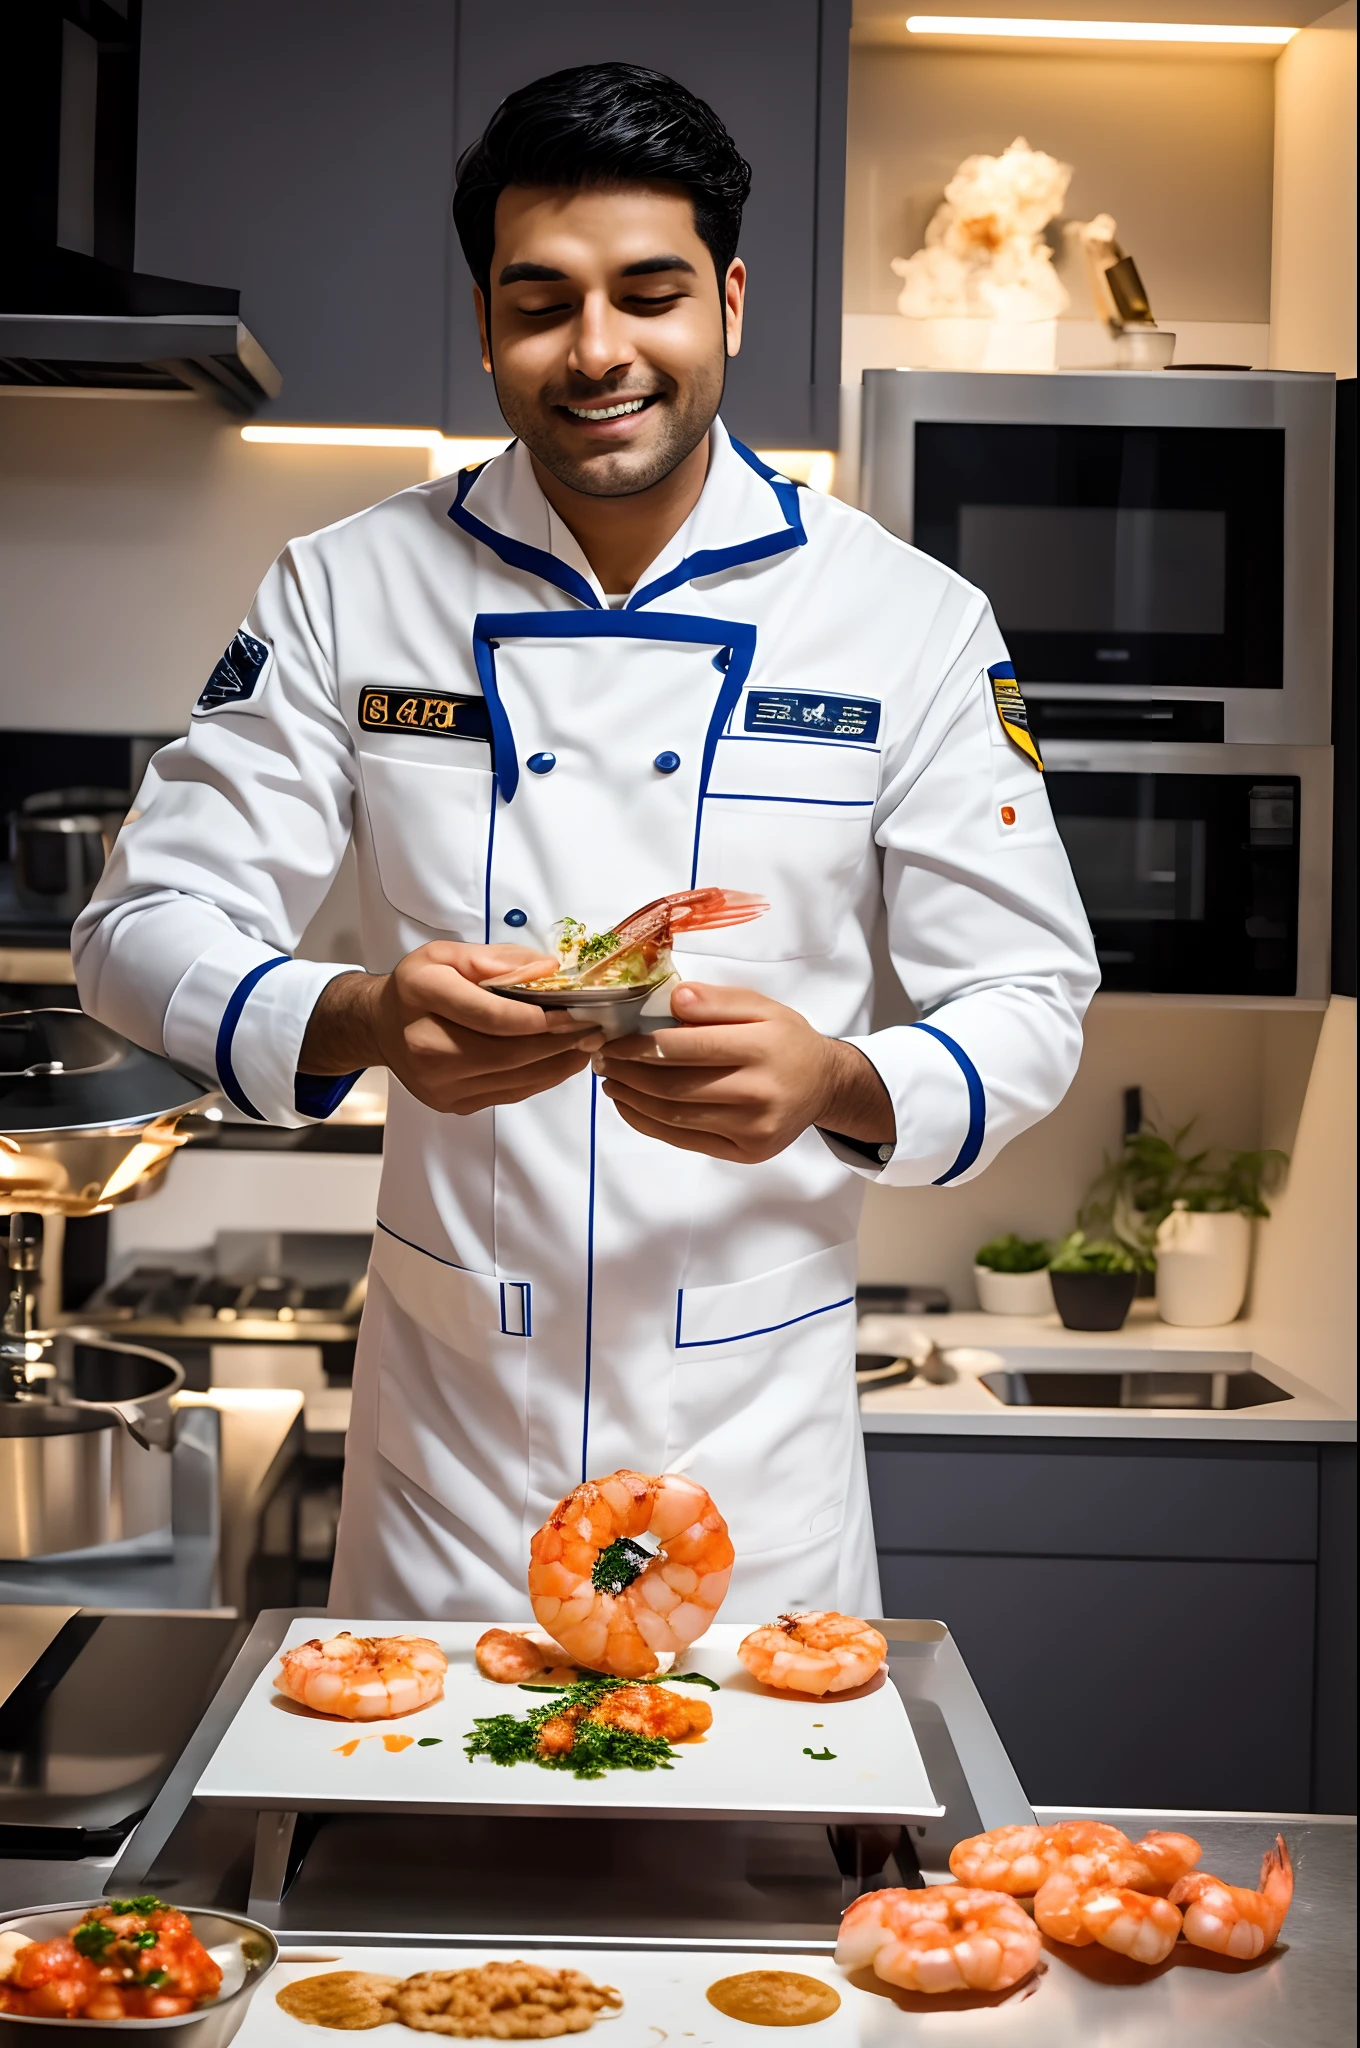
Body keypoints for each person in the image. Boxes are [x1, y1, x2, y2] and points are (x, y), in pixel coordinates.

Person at [74, 63, 1098, 1621]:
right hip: (452, 1462)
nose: (598, 351)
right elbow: (138, 926)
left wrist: (838, 1077)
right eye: (540, 299)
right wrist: (362, 1014)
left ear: (732, 304)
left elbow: (1031, 996)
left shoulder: (907, 620)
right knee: (414, 1855)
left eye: (651, 292)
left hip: (756, 1456)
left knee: (749, 1852)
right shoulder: (347, 588)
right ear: (484, 322)